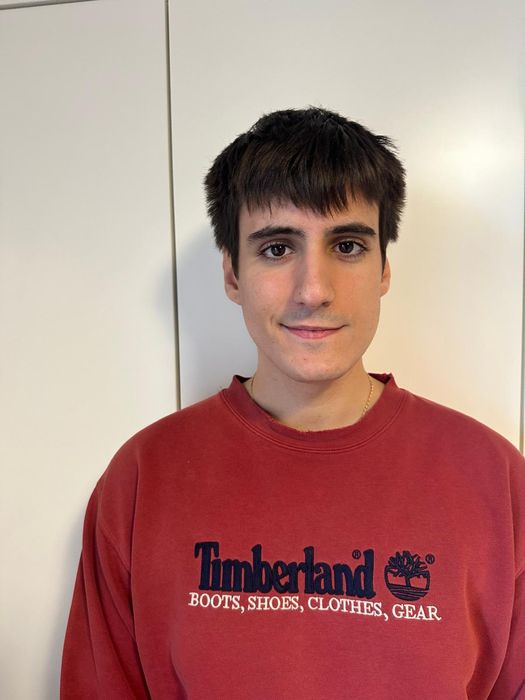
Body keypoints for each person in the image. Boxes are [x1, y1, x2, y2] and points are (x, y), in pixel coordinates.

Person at [61, 107, 524, 699]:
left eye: (348, 245)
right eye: (277, 249)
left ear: (384, 269)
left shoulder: (494, 479)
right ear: (232, 274)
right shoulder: (143, 478)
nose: (314, 290)